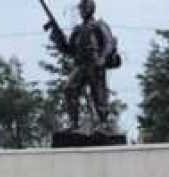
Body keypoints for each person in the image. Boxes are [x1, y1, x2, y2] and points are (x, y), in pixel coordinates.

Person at [49, 0, 118, 131]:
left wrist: (102, 58)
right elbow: (69, 49)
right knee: (69, 89)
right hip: (81, 65)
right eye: (81, 8)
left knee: (98, 93)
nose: (82, 10)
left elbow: (109, 43)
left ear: (91, 8)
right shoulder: (78, 30)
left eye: (84, 7)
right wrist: (57, 37)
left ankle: (103, 123)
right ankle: (74, 123)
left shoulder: (99, 25)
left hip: (95, 63)